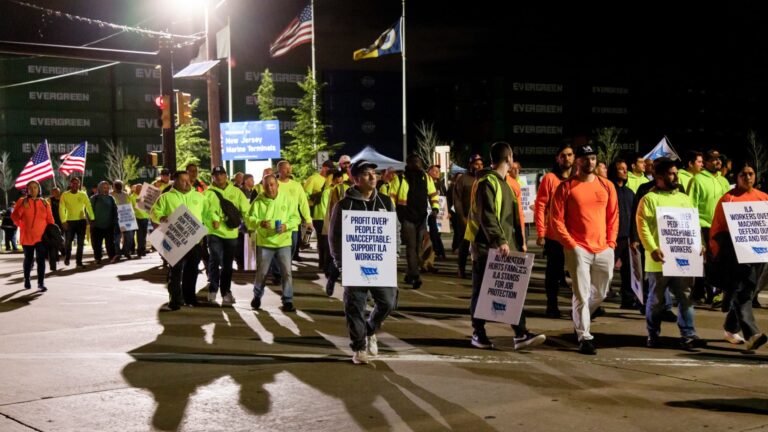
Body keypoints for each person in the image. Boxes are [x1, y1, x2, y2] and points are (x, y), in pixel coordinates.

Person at [465, 142, 546, 351]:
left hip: (502, 247)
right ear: (509, 158)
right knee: (481, 291)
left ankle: (520, 333)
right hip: (487, 248)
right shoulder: (488, 182)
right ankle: (478, 333)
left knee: (511, 291)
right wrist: (500, 240)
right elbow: (488, 216)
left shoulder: (503, 183)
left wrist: (517, 243)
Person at [551, 144, 618, 355]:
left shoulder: (607, 186)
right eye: (585, 158)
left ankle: (580, 317)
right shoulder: (566, 187)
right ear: (577, 161)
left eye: (593, 158)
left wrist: (611, 243)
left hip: (604, 248)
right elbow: (556, 220)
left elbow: (613, 217)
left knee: (602, 292)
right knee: (581, 293)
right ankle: (584, 336)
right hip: (578, 248)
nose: (590, 162)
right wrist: (571, 244)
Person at [329, 160, 397, 364]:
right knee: (355, 306)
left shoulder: (385, 202)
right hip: (354, 264)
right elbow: (334, 236)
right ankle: (359, 347)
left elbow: (395, 229)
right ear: (356, 179)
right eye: (367, 174)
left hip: (381, 263)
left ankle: (370, 329)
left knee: (388, 301)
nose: (373, 177)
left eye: (374, 173)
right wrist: (340, 263)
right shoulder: (344, 205)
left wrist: (394, 254)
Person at [636, 158, 706, 350]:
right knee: (656, 301)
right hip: (659, 261)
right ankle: (653, 333)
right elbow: (642, 226)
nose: (676, 176)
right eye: (671, 173)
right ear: (659, 177)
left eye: (676, 172)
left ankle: (688, 335)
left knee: (686, 298)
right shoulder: (650, 199)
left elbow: (693, 224)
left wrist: (700, 244)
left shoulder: (684, 198)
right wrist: (652, 248)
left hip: (683, 259)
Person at [709, 160, 768, 351]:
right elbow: (717, 229)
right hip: (734, 257)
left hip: (759, 257)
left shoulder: (764, 198)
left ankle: (730, 327)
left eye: (751, 173)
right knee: (743, 293)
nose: (748, 177)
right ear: (737, 177)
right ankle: (752, 334)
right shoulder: (728, 199)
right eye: (744, 174)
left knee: (749, 292)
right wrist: (718, 255)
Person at [151, 171, 207, 310]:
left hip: (194, 242)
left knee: (192, 271)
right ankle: (175, 300)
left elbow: (206, 215)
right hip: (175, 241)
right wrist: (161, 217)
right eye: (183, 180)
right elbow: (154, 212)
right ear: (174, 181)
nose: (187, 183)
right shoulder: (165, 197)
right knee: (175, 272)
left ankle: (190, 298)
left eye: (188, 180)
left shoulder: (199, 197)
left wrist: (204, 233)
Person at [534, 142, 574, 317]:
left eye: (570, 154)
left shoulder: (579, 178)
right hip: (554, 235)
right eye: (563, 155)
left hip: (575, 234)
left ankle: (583, 309)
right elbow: (540, 206)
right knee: (553, 271)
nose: (567, 158)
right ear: (557, 159)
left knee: (579, 272)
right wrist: (541, 232)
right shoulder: (550, 179)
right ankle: (552, 306)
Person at [247, 174, 298, 312]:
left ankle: (288, 300)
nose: (270, 188)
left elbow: (296, 218)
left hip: (283, 242)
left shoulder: (288, 199)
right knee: (262, 273)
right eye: (266, 185)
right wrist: (259, 223)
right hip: (265, 243)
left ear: (277, 185)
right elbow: (249, 219)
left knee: (287, 272)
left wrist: (286, 226)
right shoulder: (258, 201)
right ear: (262, 187)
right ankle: (257, 296)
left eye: (272, 184)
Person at [688, 149, 730, 304]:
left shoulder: (724, 181)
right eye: (713, 159)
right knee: (707, 261)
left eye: (718, 159)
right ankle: (709, 292)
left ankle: (706, 291)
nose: (717, 161)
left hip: (722, 228)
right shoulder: (697, 180)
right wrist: (694, 228)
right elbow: (690, 205)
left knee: (719, 261)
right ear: (705, 162)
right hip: (703, 226)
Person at [203, 165, 250, 305]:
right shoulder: (208, 193)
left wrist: (251, 225)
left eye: (221, 174)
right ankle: (213, 289)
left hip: (231, 234)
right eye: (216, 175)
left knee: (228, 265)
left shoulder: (236, 192)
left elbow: (246, 211)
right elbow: (202, 213)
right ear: (212, 177)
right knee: (215, 260)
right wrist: (212, 221)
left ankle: (226, 291)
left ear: (226, 175)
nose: (219, 177)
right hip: (214, 233)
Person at [392, 154, 440, 289]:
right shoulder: (400, 178)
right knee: (411, 247)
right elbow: (392, 197)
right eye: (415, 162)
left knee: (417, 248)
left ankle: (409, 273)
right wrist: (394, 214)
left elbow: (433, 195)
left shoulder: (426, 178)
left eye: (419, 162)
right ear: (409, 163)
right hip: (406, 217)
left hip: (421, 217)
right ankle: (415, 276)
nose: (417, 164)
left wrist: (435, 209)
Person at [12, 180, 55, 290]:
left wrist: (52, 233)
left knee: (41, 260)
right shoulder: (22, 201)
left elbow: (50, 220)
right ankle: (27, 279)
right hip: (27, 237)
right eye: (30, 188)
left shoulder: (45, 203)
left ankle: (41, 283)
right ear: (27, 190)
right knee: (29, 259)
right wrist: (22, 208)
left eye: (35, 187)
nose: (33, 189)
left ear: (39, 189)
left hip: (41, 237)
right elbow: (15, 217)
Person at [608, 159, 637, 308]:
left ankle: (628, 299)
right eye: (621, 169)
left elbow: (634, 216)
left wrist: (634, 237)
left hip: (627, 237)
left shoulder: (630, 193)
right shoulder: (608, 190)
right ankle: (596, 299)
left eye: (626, 169)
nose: (625, 171)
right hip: (612, 237)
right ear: (614, 171)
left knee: (628, 271)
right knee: (605, 270)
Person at [453, 154, 483, 278]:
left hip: (480, 219)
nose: (479, 166)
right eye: (476, 164)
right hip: (466, 218)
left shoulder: (484, 179)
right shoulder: (463, 179)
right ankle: (461, 268)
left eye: (481, 164)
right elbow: (457, 201)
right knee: (465, 245)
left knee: (479, 247)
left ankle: (477, 270)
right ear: (470, 165)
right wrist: (462, 217)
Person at [59, 177, 94, 267]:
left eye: (77, 183)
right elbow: (61, 208)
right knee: (68, 242)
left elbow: (88, 206)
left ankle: (79, 262)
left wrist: (92, 218)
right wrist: (63, 221)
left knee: (80, 243)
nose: (75, 185)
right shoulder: (65, 195)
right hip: (69, 222)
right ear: (70, 184)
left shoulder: (83, 194)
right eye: (73, 183)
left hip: (81, 222)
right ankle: (67, 257)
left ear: (79, 185)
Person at [91, 181, 118, 264]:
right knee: (97, 243)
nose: (106, 189)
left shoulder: (111, 198)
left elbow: (115, 210)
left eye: (107, 188)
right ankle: (98, 258)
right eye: (104, 188)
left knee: (110, 243)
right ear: (99, 188)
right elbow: (89, 211)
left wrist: (115, 221)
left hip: (109, 225)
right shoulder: (94, 198)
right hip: (97, 225)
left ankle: (112, 257)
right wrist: (91, 223)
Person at [427, 164, 447, 259]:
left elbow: (445, 198)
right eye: (435, 170)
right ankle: (438, 252)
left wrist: (448, 212)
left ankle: (438, 251)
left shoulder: (441, 184)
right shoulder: (426, 183)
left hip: (440, 214)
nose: (437, 172)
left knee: (437, 233)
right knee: (433, 233)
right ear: (429, 172)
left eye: (438, 171)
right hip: (430, 213)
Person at [111, 180, 135, 260]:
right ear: (113, 186)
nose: (118, 186)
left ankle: (126, 251)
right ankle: (117, 253)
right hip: (116, 218)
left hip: (127, 219)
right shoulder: (111, 195)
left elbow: (131, 205)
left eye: (120, 185)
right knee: (117, 237)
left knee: (129, 236)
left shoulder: (126, 195)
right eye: (116, 185)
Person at [130, 184, 149, 257]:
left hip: (145, 217)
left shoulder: (145, 196)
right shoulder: (132, 197)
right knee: (139, 235)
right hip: (137, 218)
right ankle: (140, 250)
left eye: (141, 189)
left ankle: (142, 249)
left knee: (143, 235)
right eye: (138, 189)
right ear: (135, 189)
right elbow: (130, 207)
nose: (139, 190)